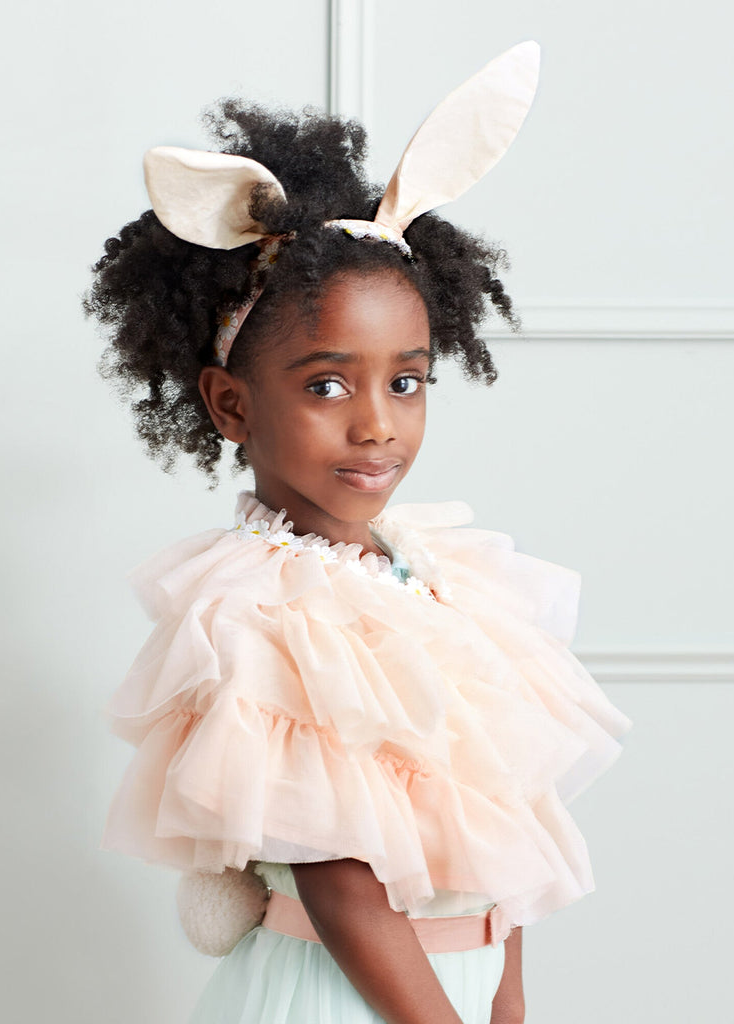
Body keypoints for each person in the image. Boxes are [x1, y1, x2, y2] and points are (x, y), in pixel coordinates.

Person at [86, 42, 631, 1024]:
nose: (376, 421)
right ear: (230, 404)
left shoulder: (444, 581)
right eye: (326, 384)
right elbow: (339, 877)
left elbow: (494, 836)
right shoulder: (260, 610)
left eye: (407, 381)